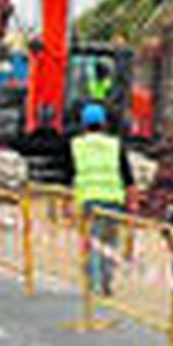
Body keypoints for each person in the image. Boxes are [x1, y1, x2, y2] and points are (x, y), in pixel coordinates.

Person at [66, 102, 134, 295]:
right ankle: (106, 281)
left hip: (89, 199)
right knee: (109, 242)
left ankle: (94, 282)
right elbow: (128, 177)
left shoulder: (76, 145)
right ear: (104, 123)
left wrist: (68, 203)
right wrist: (132, 202)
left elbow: (70, 176)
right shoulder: (115, 145)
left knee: (93, 241)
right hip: (113, 200)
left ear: (83, 124)